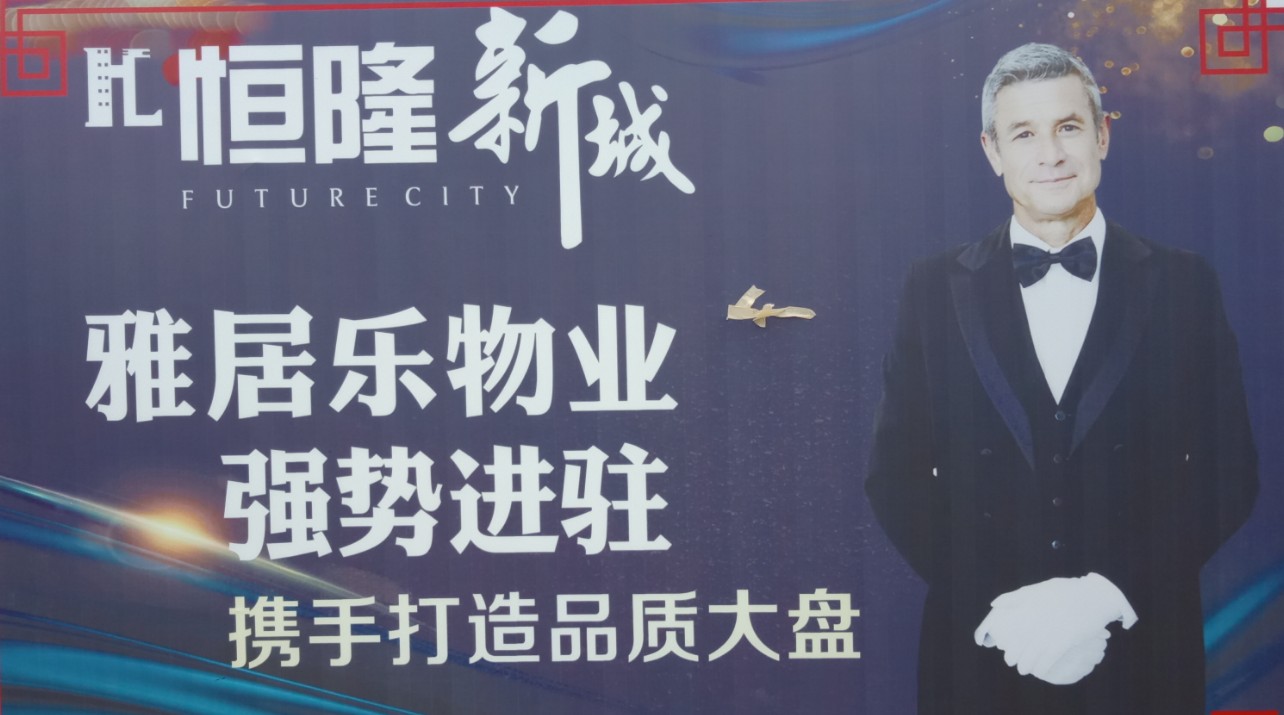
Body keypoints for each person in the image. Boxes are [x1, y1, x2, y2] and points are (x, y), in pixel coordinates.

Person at [864, 42, 1259, 715]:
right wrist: (1008, 612)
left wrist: (1101, 597)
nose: (1049, 154)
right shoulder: (932, 288)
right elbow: (895, 476)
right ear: (992, 151)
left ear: (1102, 136)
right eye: (1023, 133)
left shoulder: (1184, 283)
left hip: (1143, 652)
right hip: (983, 652)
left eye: (1068, 127)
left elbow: (1229, 474)